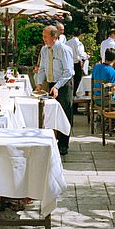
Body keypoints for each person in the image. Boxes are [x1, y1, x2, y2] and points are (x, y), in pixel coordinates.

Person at [36, 25, 74, 155]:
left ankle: (64, 144)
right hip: (51, 83)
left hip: (64, 84)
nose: (43, 39)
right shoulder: (44, 50)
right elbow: (41, 68)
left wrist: (57, 86)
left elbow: (69, 72)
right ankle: (52, 140)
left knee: (64, 113)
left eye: (45, 36)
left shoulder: (64, 49)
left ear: (54, 37)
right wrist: (39, 84)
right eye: (43, 36)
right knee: (50, 113)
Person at [66, 29, 89, 96]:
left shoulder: (67, 42)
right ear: (80, 35)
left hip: (69, 63)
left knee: (70, 81)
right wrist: (86, 56)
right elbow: (81, 53)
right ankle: (76, 98)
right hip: (76, 63)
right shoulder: (78, 43)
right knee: (77, 82)